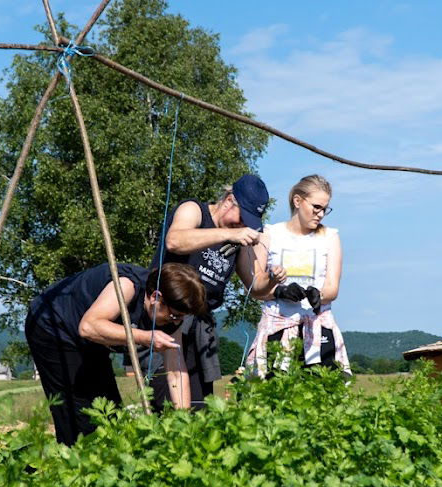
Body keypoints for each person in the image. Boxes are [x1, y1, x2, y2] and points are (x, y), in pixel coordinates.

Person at [25, 261, 208, 445]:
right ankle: (68, 456)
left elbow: (176, 372)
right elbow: (88, 327)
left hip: (91, 342)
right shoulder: (126, 286)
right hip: (54, 326)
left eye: (183, 318)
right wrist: (145, 337)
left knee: (110, 417)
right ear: (156, 297)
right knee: (79, 418)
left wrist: (183, 422)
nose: (176, 322)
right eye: (174, 315)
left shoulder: (172, 319)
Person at [148, 173, 269, 409]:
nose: (242, 226)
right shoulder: (194, 210)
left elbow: (256, 286)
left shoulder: (237, 238)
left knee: (199, 408)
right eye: (242, 218)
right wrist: (229, 234)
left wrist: (274, 281)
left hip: (199, 331)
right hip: (166, 319)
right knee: (166, 407)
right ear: (229, 200)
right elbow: (175, 241)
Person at [244, 174, 351, 376]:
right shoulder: (269, 234)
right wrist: (279, 291)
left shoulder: (330, 237)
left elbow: (332, 288)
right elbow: (255, 285)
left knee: (322, 389)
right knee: (273, 388)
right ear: (297, 201)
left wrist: (318, 294)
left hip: (317, 326)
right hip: (278, 327)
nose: (320, 214)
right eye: (316, 207)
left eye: (325, 209)